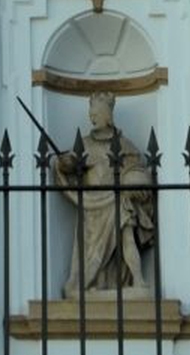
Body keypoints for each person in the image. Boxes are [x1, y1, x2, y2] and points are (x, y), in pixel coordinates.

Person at [54, 93, 156, 301]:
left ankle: (138, 280)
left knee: (127, 238)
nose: (92, 116)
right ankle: (92, 284)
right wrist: (64, 164)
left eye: (96, 112)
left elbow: (137, 169)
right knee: (93, 251)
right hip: (93, 206)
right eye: (91, 112)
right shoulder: (84, 145)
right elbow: (70, 164)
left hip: (118, 199)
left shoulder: (124, 145)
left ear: (108, 115)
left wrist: (134, 180)